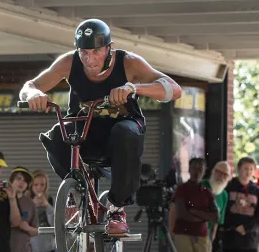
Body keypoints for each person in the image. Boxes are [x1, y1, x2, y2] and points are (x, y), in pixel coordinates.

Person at [20, 19, 182, 236]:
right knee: (56, 134)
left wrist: (134, 87)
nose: (90, 59)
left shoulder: (128, 63)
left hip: (121, 132)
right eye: (84, 52)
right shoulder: (69, 63)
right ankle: (76, 189)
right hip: (85, 131)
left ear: (108, 48)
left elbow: (174, 89)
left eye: (96, 51)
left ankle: (117, 209)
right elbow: (30, 86)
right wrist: (34, 94)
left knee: (124, 132)